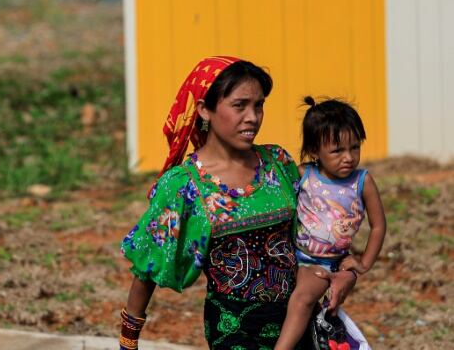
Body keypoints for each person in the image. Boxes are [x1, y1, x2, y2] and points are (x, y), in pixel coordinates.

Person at [119, 57, 357, 350]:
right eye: (239, 105)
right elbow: (148, 267)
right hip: (233, 328)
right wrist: (128, 341)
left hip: (295, 320)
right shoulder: (185, 185)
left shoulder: (278, 163)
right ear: (205, 109)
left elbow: (325, 227)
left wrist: (348, 272)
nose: (252, 117)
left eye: (258, 105)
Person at [274, 97, 386, 350]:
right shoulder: (303, 174)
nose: (348, 157)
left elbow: (378, 226)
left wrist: (363, 263)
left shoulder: (362, 182)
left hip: (324, 264)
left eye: (355, 147)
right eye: (337, 151)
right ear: (315, 151)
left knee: (302, 300)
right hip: (292, 256)